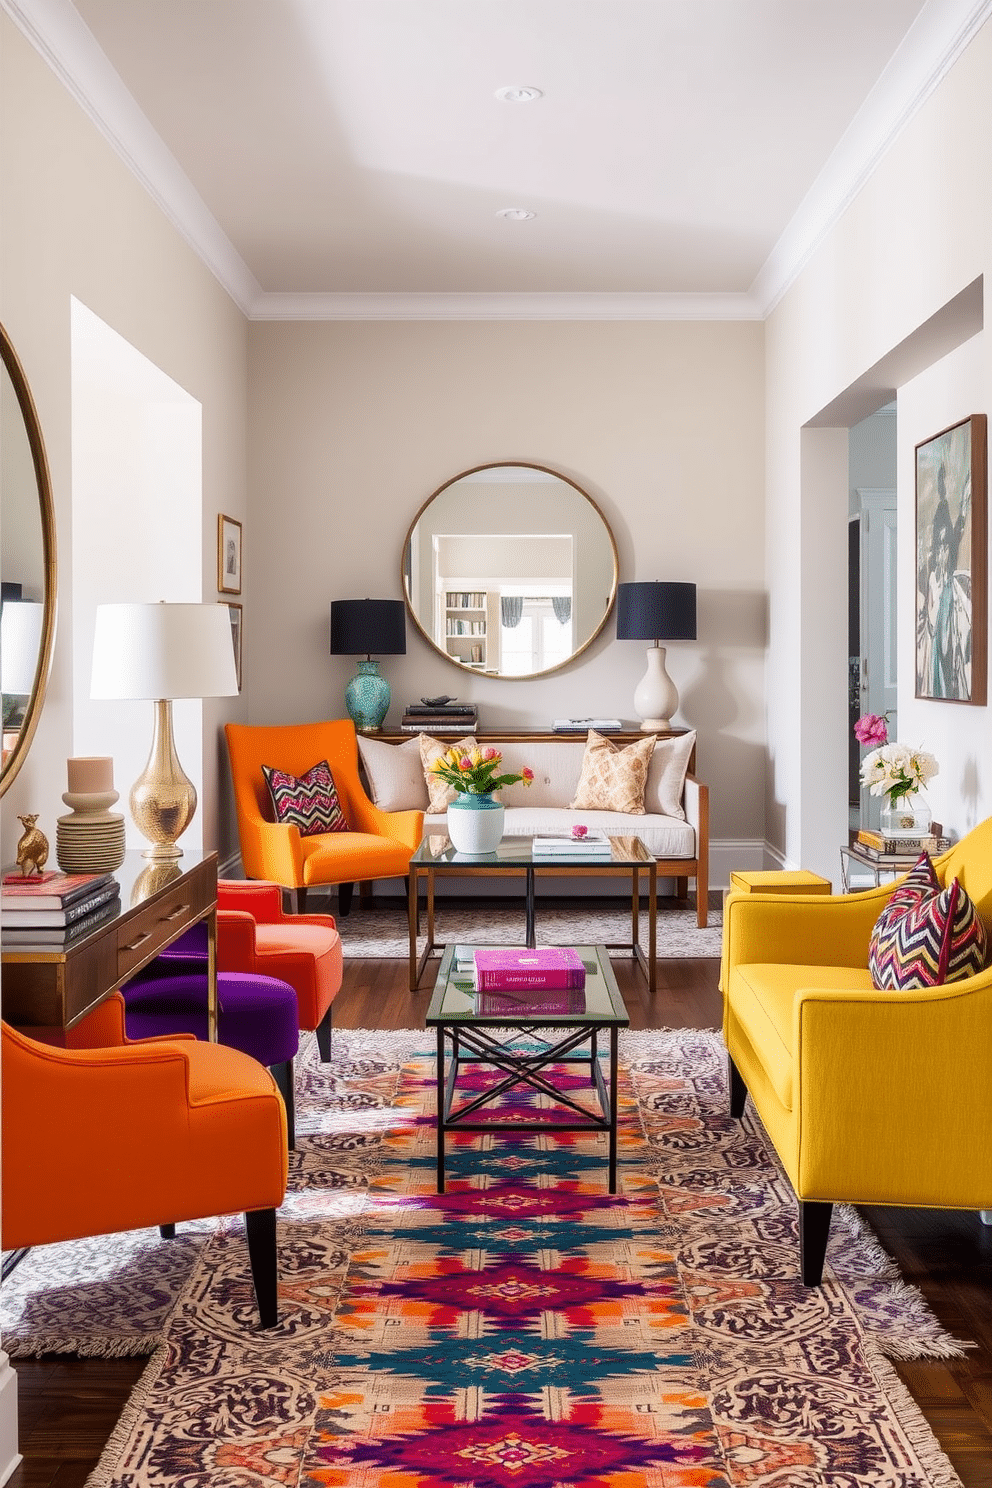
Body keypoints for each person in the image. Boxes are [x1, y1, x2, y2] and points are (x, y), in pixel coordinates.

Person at [918, 462, 971, 698]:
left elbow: (958, 526)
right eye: (940, 547)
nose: (943, 552)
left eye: (946, 547)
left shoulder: (952, 583)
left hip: (948, 646)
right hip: (937, 648)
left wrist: (963, 501)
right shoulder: (932, 580)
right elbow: (928, 619)